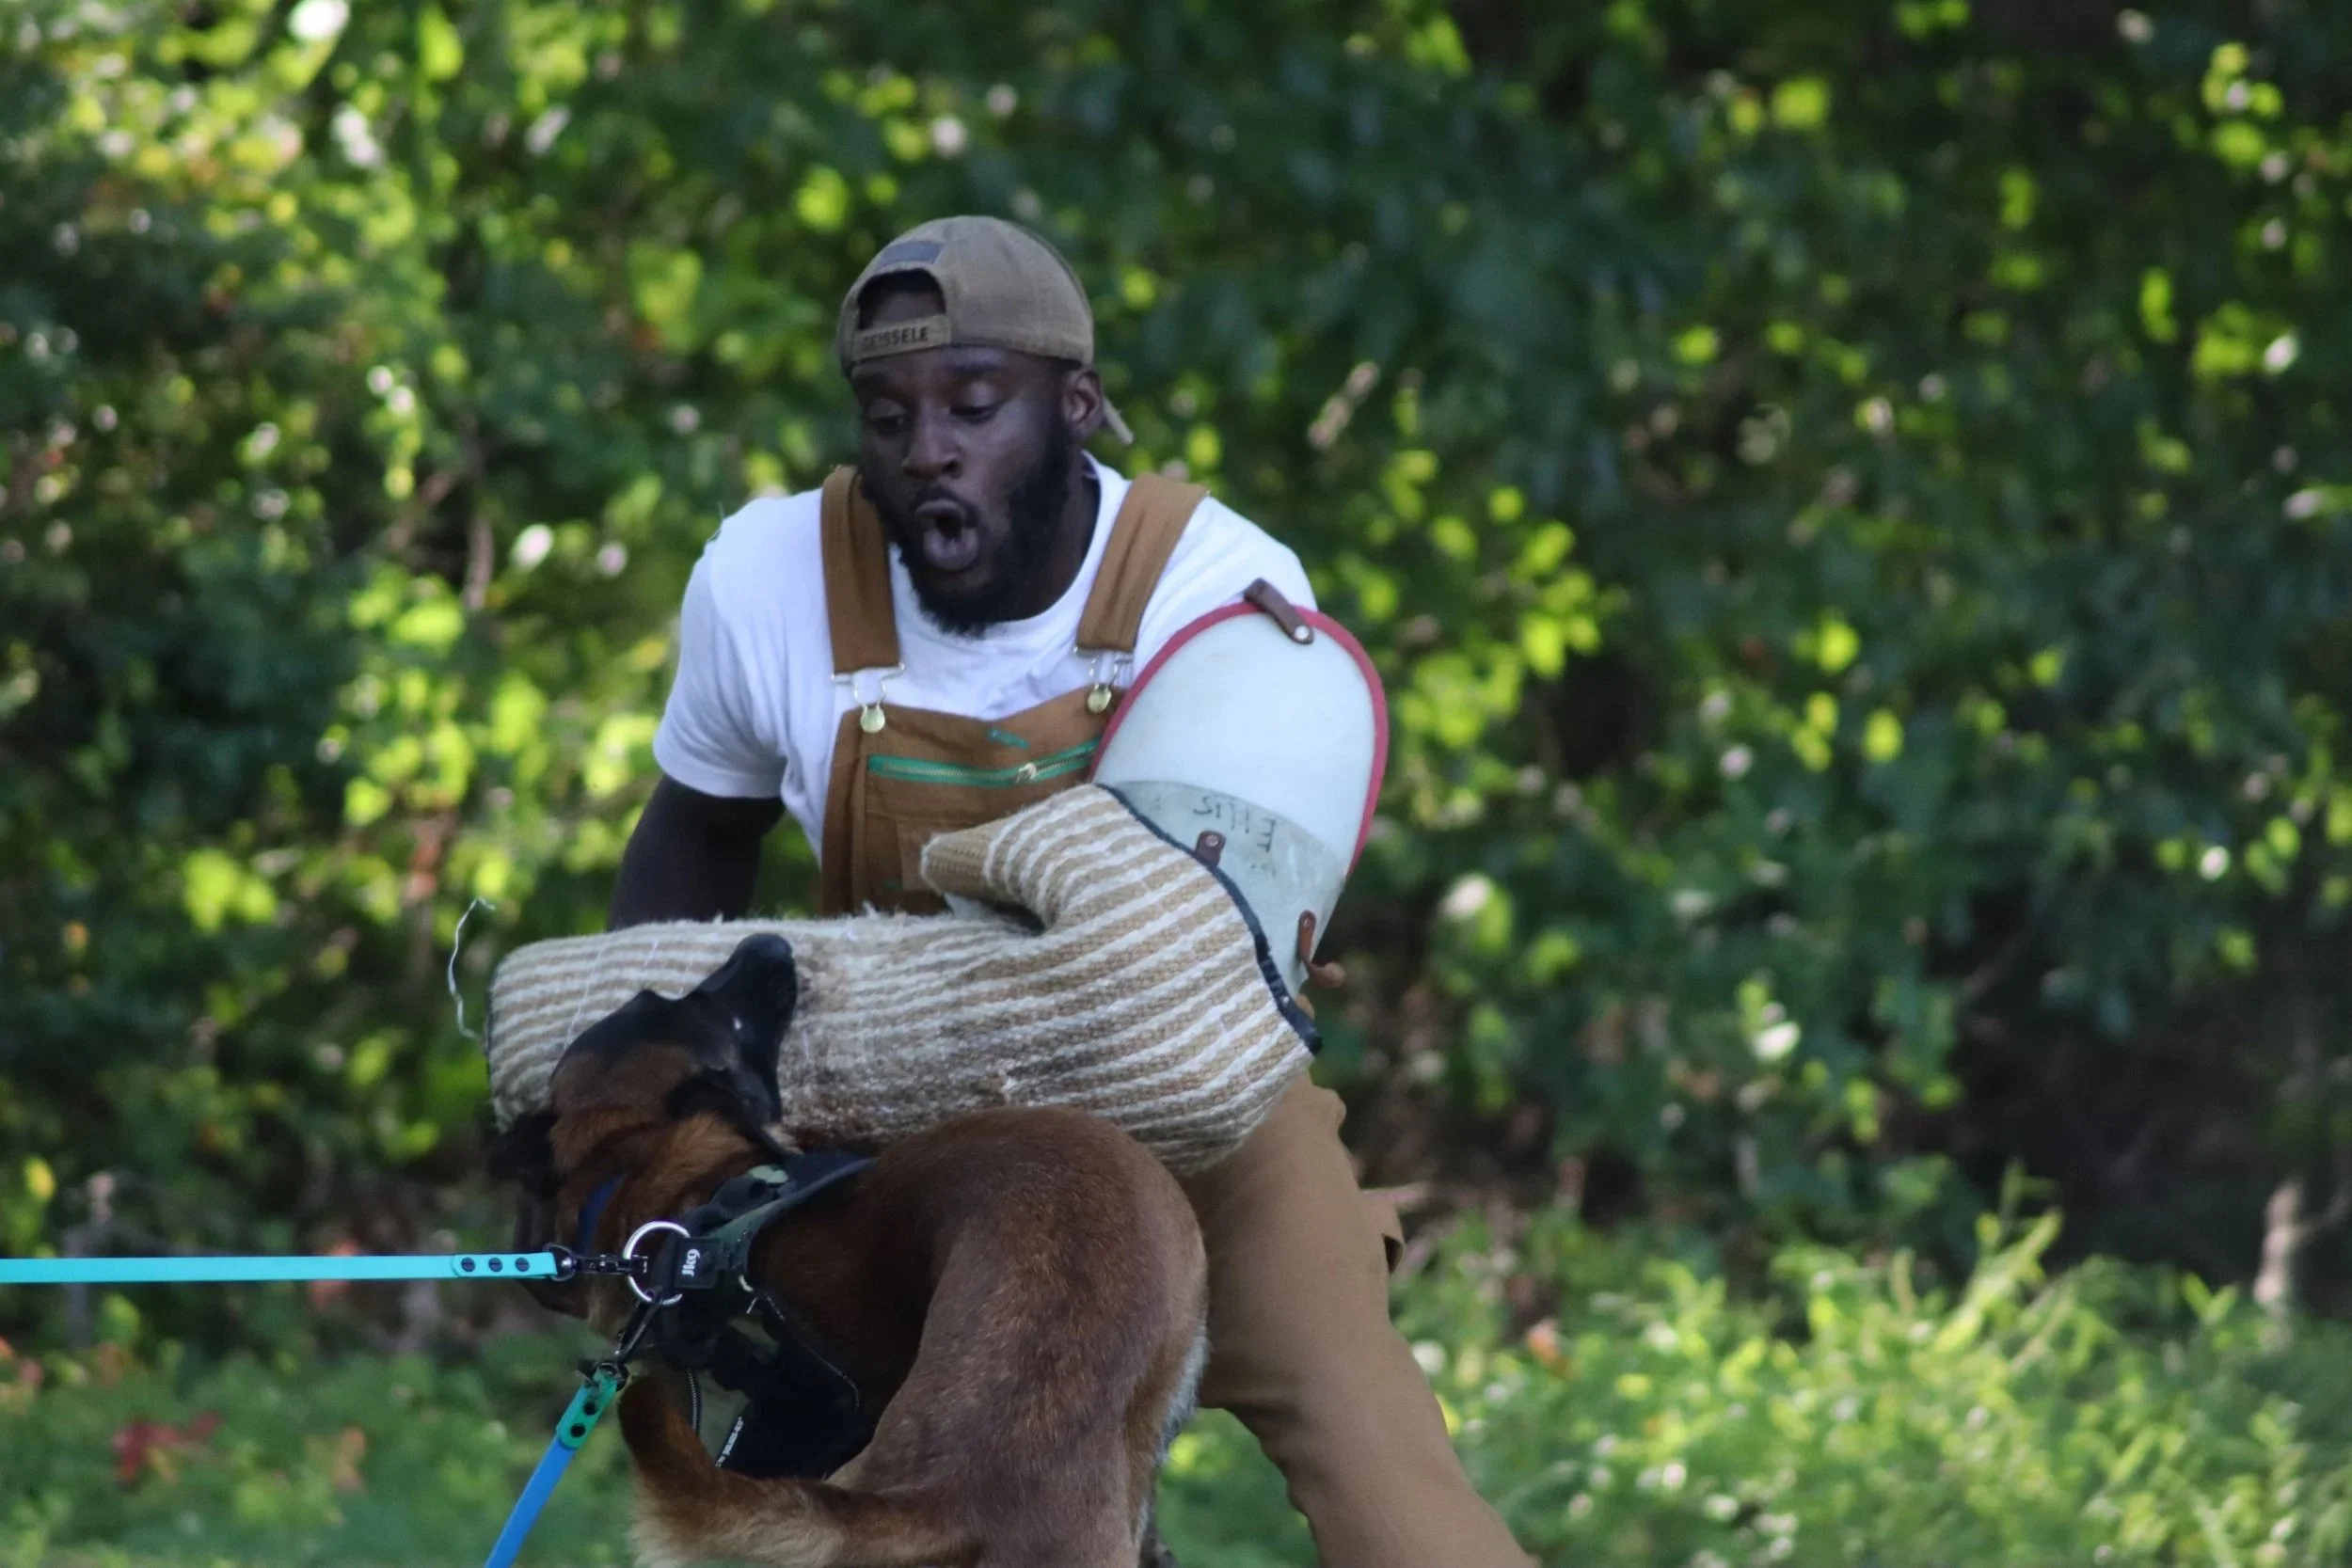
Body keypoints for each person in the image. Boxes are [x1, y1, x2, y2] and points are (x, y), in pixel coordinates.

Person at [610, 214, 1533, 1568]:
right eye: (888, 415)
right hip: (901, 1133)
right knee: (836, 1516)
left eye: (973, 406)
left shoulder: (1223, 589)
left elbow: (1226, 947)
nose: (927, 446)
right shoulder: (767, 578)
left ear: (1078, 405)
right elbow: (690, 843)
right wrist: (654, 1123)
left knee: (1392, 1489)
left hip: (1201, 1112)